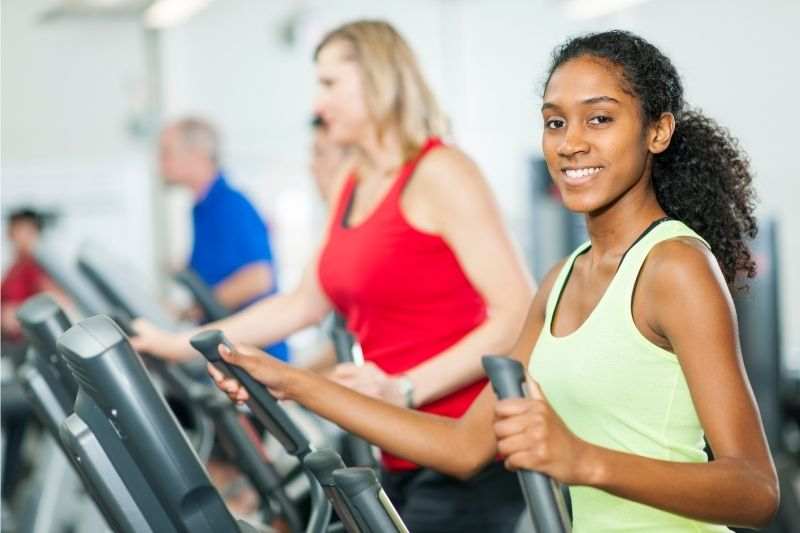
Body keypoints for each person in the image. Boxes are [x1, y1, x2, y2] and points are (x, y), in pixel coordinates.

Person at [208, 30, 779, 532]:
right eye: (555, 121)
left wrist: (583, 460)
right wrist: (294, 385)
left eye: (599, 118)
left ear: (658, 132)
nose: (570, 142)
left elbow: (755, 490)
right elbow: (460, 447)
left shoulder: (674, 266)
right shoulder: (561, 280)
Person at [134, 20, 535, 532]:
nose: (318, 105)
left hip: (466, 444)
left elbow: (518, 314)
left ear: (376, 79)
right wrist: (176, 344)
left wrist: (406, 389)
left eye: (329, 85)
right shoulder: (353, 182)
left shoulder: (441, 172)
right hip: (397, 443)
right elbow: (300, 304)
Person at [158, 117, 289, 361]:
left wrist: (194, 311)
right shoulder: (201, 209)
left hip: (259, 356)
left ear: (196, 155)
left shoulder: (231, 206)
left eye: (167, 153)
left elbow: (258, 278)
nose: (160, 163)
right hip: (229, 353)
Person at [1, 208, 65, 345]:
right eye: (15, 231)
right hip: (10, 342)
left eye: (27, 232)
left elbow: (59, 302)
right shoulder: (13, 269)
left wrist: (17, 312)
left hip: (28, 342)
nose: (19, 237)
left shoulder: (37, 268)